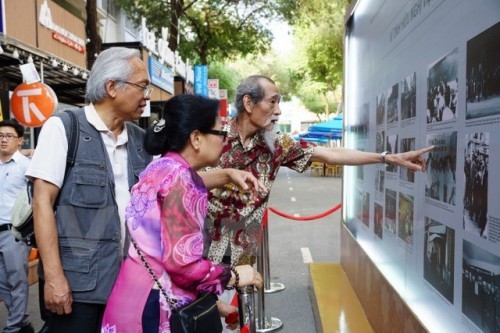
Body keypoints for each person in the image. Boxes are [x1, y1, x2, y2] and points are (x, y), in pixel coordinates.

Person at [201, 75, 433, 328]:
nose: (278, 111)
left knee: (234, 324)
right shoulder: (213, 134)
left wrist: (388, 157)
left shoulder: (277, 145)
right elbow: (181, 176)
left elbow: (332, 154)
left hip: (241, 261)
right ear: (248, 103)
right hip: (195, 256)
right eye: (273, 102)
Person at [101, 94, 264, 333]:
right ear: (196, 138)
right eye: (220, 133)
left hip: (132, 299)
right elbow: (183, 265)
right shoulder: (182, 180)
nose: (225, 141)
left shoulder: (160, 168)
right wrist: (236, 274)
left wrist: (214, 303)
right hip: (156, 311)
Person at [0, 119, 34, 333]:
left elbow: (36, 199)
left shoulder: (27, 167)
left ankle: (13, 328)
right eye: (0, 136)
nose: (3, 139)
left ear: (20, 140)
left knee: (18, 281)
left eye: (9, 136)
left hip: (15, 233)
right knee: (2, 282)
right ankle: (22, 322)